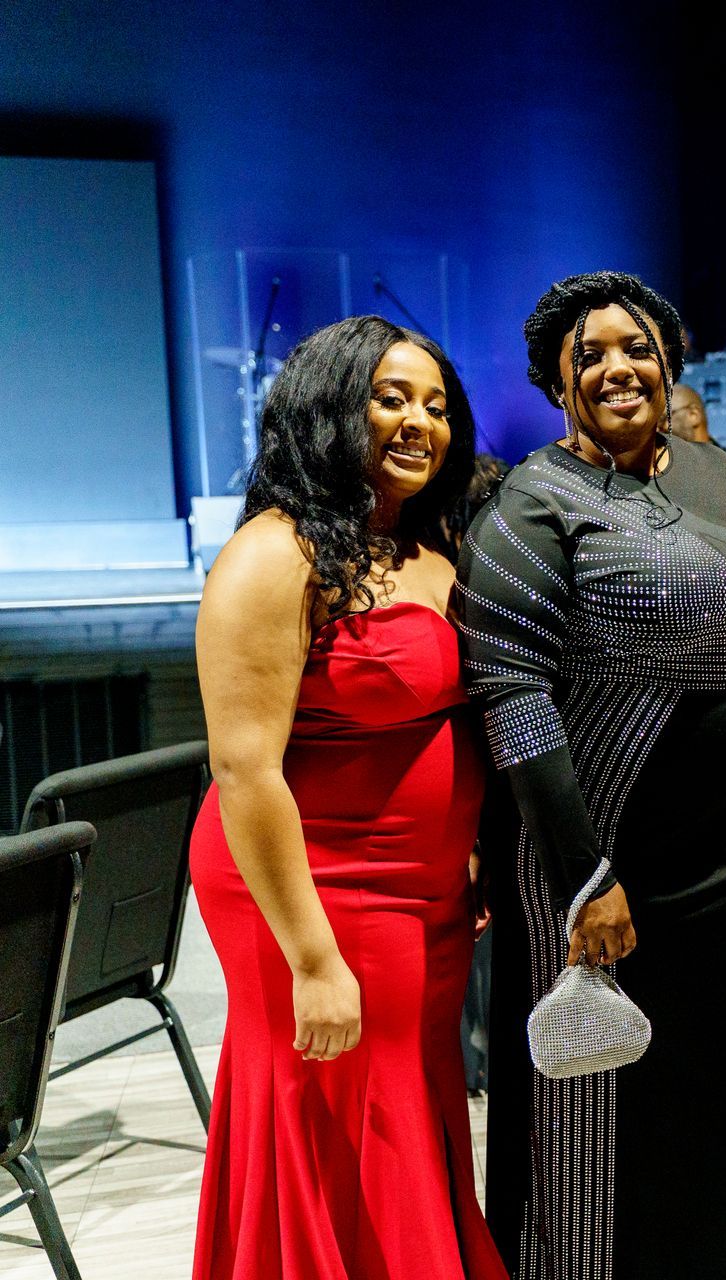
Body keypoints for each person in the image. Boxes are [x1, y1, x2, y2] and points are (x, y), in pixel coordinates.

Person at [457, 271, 726, 1278]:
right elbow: (512, 693)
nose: (619, 366)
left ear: (669, 363)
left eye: (637, 347)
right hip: (604, 851)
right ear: (557, 382)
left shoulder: (712, 469)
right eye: (590, 354)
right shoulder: (533, 496)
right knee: (593, 1096)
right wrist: (583, 878)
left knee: (725, 1087)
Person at [189, 315, 505, 1280]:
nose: (419, 423)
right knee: (338, 1116)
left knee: (407, 1106)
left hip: (423, 899)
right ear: (330, 410)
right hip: (314, 895)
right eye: (391, 398)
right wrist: (315, 960)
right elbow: (245, 770)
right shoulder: (273, 556)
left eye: (436, 406)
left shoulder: (428, 545)